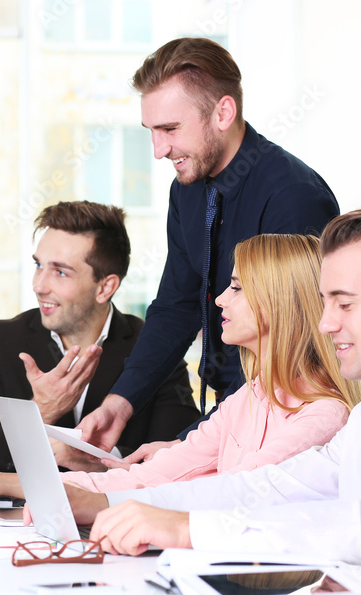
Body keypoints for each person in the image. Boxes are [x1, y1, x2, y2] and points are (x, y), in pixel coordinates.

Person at [64, 210, 361, 595]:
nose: (325, 324)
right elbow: (264, 487)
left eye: (344, 304)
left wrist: (185, 529)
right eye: (325, 303)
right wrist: (117, 506)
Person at [0, 234, 361, 498]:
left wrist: (29, 489)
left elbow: (223, 493)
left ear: (279, 303)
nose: (219, 300)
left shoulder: (323, 415)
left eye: (235, 288)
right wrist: (0, 483)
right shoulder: (248, 398)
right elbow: (149, 478)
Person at [79, 37, 340, 452]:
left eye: (170, 129)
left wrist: (188, 450)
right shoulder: (187, 190)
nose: (159, 150)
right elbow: (177, 306)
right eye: (150, 131)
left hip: (284, 423)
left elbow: (287, 340)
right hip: (232, 416)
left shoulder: (293, 196)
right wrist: (121, 402)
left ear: (223, 112)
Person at [0, 201, 199, 472]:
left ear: (105, 287)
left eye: (60, 272)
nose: (39, 285)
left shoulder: (153, 348)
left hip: (115, 512)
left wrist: (94, 461)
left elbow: (181, 460)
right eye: (38, 265)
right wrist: (40, 412)